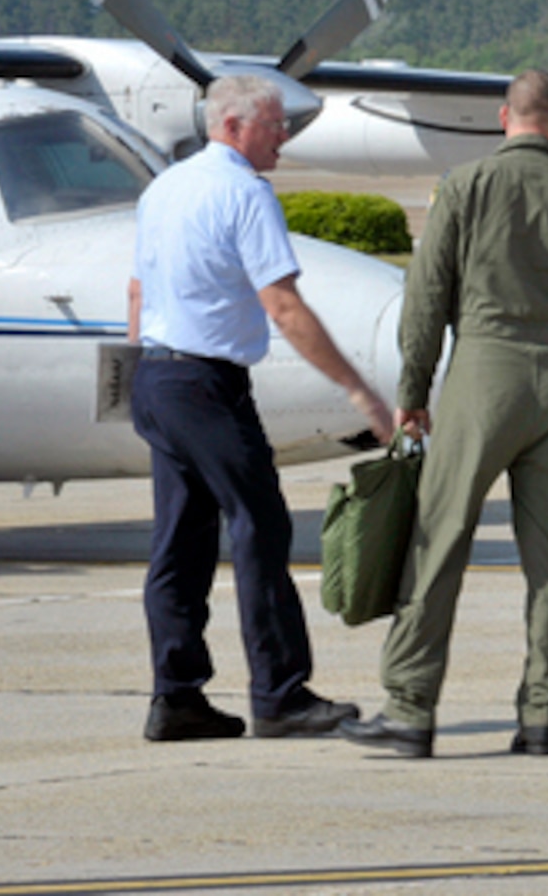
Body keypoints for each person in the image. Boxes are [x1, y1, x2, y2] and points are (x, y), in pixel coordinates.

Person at [339, 71, 548, 759]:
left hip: (482, 371)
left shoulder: (463, 188)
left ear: (504, 118)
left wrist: (411, 388)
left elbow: (426, 295)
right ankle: (541, 715)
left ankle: (410, 707)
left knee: (439, 543)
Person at [130, 74, 393, 742]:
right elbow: (283, 305)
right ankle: (279, 695)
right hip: (204, 386)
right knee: (260, 526)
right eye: (275, 125)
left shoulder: (165, 186)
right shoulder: (244, 193)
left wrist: (145, 369)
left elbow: (138, 289)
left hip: (158, 378)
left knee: (180, 543)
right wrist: (358, 389)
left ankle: (177, 694)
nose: (284, 136)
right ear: (233, 126)